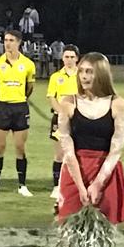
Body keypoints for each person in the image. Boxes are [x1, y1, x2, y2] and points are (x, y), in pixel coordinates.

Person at [57, 52, 124, 247]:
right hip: (74, 173)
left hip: (107, 174)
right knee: (71, 245)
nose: (85, 77)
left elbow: (117, 146)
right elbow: (66, 146)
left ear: (101, 73)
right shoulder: (68, 103)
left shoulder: (117, 104)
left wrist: (99, 182)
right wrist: (80, 185)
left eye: (90, 71)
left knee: (105, 246)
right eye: (82, 72)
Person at [0, 30, 36, 197]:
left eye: (11, 40)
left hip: (20, 108)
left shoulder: (28, 64)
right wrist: (2, 100)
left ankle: (22, 185)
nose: (7, 43)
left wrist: (20, 98)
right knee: (0, 147)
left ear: (19, 42)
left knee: (20, 147)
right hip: (3, 108)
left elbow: (29, 88)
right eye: (6, 40)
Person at [47, 45, 79, 203]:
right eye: (67, 57)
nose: (69, 60)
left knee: (77, 153)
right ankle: (56, 187)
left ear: (77, 58)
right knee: (59, 153)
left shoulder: (82, 75)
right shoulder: (55, 77)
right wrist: (61, 113)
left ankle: (75, 185)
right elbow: (51, 97)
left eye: (72, 57)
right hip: (60, 118)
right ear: (62, 58)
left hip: (79, 119)